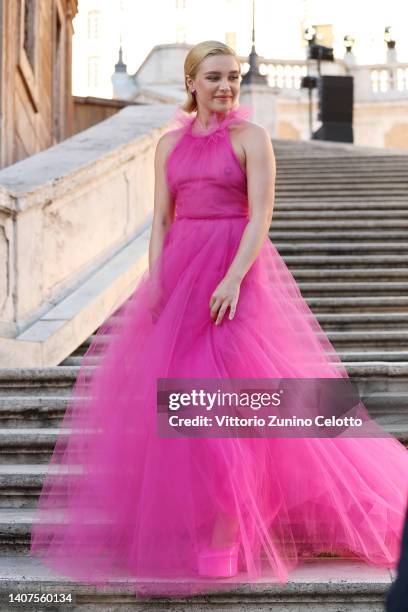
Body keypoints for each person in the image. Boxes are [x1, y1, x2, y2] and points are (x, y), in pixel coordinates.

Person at [30, 40, 408, 599]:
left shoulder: (252, 140)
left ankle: (227, 533)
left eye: (232, 76)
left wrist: (233, 276)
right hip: (180, 279)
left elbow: (262, 214)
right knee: (183, 406)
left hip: (236, 279)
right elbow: (160, 218)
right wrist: (155, 277)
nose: (226, 85)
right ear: (191, 84)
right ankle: (201, 523)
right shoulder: (166, 147)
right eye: (214, 77)